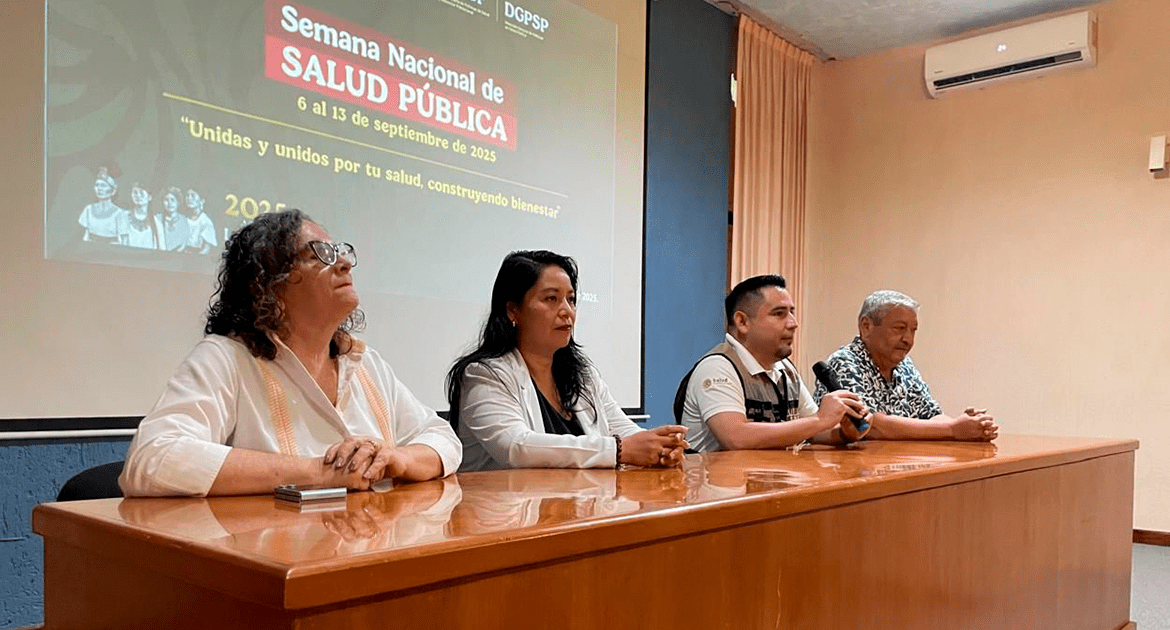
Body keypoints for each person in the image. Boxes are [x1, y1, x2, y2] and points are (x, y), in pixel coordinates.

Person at [120, 209, 461, 496]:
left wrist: (398, 459)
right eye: (321, 254)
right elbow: (152, 459)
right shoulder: (226, 358)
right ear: (268, 283)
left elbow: (443, 438)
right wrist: (320, 472)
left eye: (340, 252)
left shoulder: (365, 363)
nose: (344, 263)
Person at [447, 250, 687, 471]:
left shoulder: (582, 375)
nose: (567, 311)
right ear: (513, 310)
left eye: (571, 300)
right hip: (505, 504)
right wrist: (618, 450)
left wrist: (661, 447)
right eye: (551, 299)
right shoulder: (483, 376)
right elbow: (517, 448)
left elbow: (623, 431)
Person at [675, 275, 868, 452]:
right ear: (742, 322)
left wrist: (845, 432)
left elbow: (812, 431)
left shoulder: (786, 369)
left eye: (792, 313)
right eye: (779, 313)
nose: (793, 323)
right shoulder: (717, 367)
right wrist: (820, 419)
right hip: (716, 479)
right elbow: (736, 438)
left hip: (768, 476)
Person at [813, 290, 998, 441]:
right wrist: (952, 429)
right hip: (853, 468)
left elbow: (931, 414)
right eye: (899, 329)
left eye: (913, 330)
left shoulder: (905, 365)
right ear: (866, 327)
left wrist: (970, 428)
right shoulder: (844, 362)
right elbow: (871, 425)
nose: (908, 339)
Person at [78, 167, 126, 243]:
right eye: (97, 185)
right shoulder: (88, 210)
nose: (99, 188)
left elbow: (124, 241)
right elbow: (85, 237)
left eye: (103, 185)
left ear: (113, 190)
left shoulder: (120, 214)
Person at [117, 184, 159, 249]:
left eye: (141, 193)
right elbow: (122, 243)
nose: (138, 196)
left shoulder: (155, 221)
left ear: (149, 197)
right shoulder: (124, 216)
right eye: (135, 193)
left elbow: (160, 247)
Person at [184, 188, 217, 254]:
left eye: (193, 195)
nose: (189, 198)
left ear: (202, 200)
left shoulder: (205, 222)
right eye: (187, 195)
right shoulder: (183, 219)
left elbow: (206, 250)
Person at [158, 186, 189, 251]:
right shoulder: (158, 219)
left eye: (172, 200)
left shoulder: (185, 220)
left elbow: (184, 243)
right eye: (166, 200)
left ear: (178, 202)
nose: (169, 203)